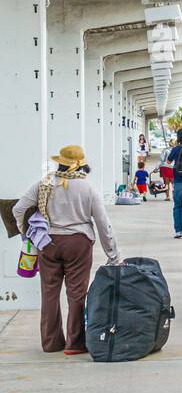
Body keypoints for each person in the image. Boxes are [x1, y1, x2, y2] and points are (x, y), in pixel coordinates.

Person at [10, 145, 122, 354]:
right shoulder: (87, 188)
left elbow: (18, 209)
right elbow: (102, 223)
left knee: (49, 293)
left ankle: (51, 343)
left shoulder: (43, 184)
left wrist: (27, 233)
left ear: (60, 162)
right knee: (77, 293)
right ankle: (75, 343)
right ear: (80, 164)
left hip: (47, 243)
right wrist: (114, 256)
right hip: (78, 244)